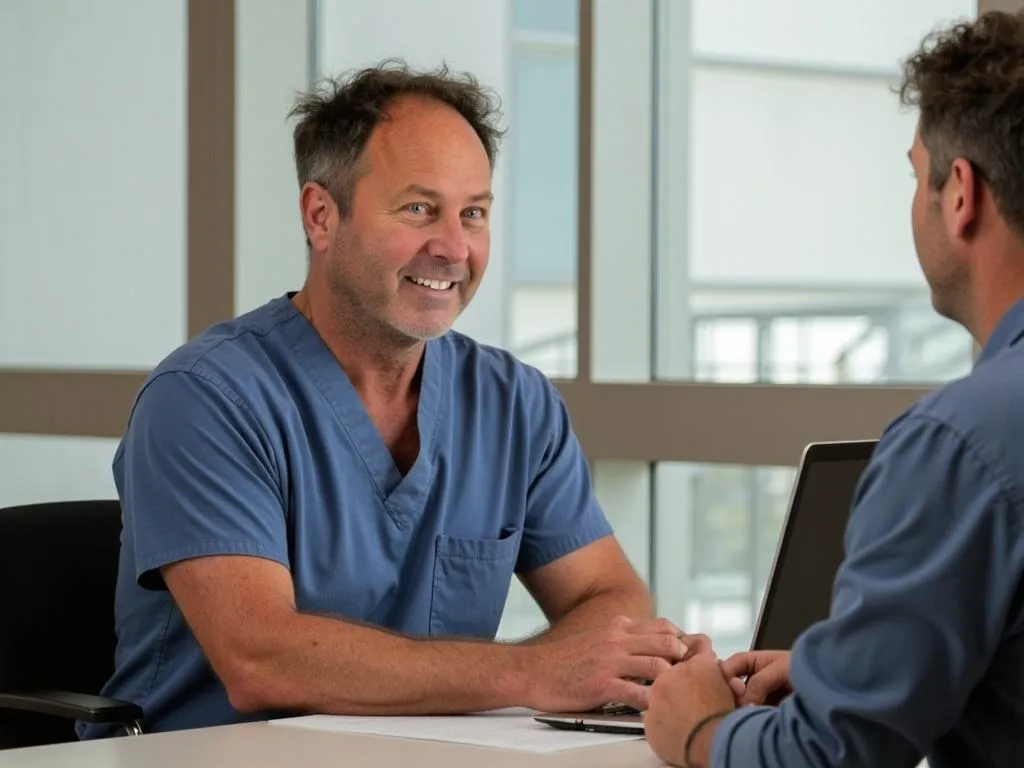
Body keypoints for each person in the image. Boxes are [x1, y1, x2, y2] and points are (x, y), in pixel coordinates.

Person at [78, 61, 702, 738]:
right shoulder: (205, 398)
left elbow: (610, 599)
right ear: (321, 216)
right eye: (419, 209)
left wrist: (608, 661)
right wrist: (533, 672)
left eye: (473, 213)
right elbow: (262, 659)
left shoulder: (514, 403)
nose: (454, 248)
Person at [643, 10, 1024, 768]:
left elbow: (830, 757)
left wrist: (700, 730)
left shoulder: (961, 443)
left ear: (960, 194)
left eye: (916, 176)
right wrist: (851, 673)